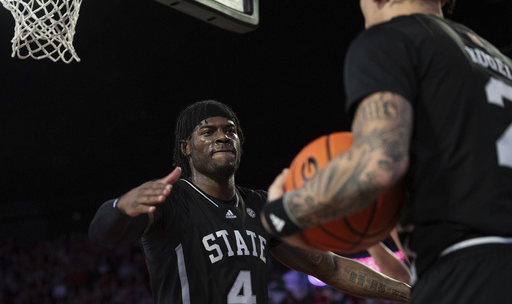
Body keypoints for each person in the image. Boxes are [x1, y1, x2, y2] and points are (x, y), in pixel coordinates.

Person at [261, 0, 512, 303]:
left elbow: (377, 164)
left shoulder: (389, 40)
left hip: (468, 269)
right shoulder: (500, 61)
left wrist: (282, 214)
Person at [89, 100, 411, 304]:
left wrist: (411, 295)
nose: (222, 136)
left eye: (230, 130)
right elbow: (102, 233)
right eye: (208, 131)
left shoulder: (260, 206)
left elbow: (329, 266)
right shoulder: (173, 200)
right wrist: (118, 208)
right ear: (186, 148)